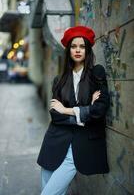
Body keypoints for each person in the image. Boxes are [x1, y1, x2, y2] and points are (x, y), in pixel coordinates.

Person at [37, 25, 110, 195]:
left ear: (88, 49)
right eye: (74, 46)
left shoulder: (96, 73)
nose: (78, 50)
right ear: (68, 50)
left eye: (82, 46)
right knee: (49, 190)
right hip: (54, 141)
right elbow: (56, 115)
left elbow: (99, 110)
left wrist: (67, 110)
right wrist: (85, 112)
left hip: (81, 144)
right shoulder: (60, 79)